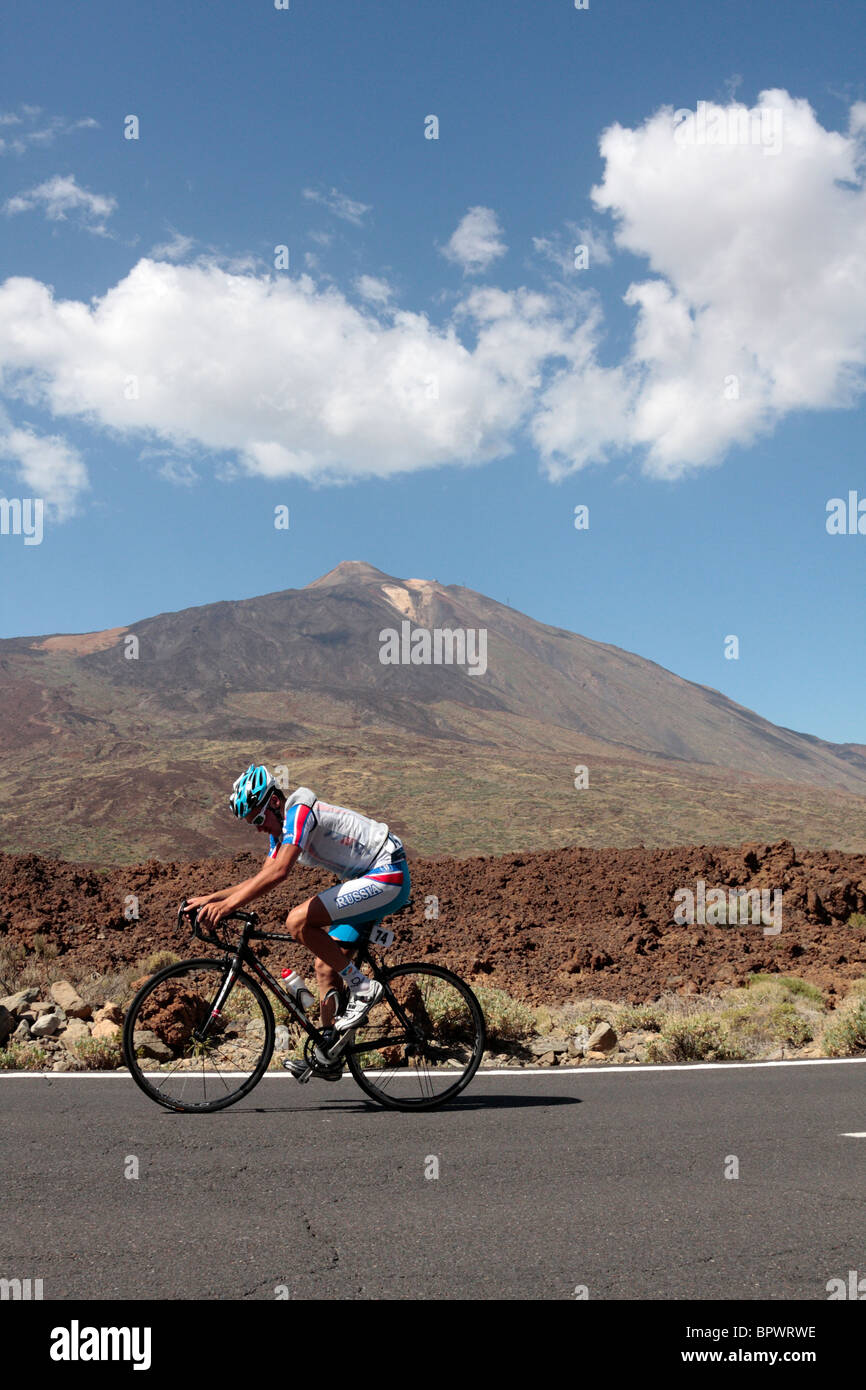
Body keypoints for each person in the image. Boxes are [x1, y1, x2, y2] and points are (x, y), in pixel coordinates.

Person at [183, 764, 410, 1083]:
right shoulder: (280, 832)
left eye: (259, 819)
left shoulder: (299, 812)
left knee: (297, 920)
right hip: (368, 880)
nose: (259, 829)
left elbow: (279, 873)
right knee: (325, 967)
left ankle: (363, 987)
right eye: (253, 825)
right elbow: (260, 876)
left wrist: (226, 907)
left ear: (275, 802)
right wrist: (210, 899)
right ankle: (329, 1055)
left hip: (388, 873)